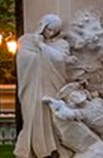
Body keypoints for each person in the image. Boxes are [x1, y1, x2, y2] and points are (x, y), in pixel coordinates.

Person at [16, 15, 70, 158]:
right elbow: (23, 59)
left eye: (54, 31)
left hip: (51, 87)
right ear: (42, 25)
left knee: (51, 117)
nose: (50, 33)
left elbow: (60, 59)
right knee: (33, 115)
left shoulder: (61, 44)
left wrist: (42, 46)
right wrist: (38, 52)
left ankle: (55, 148)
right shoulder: (27, 40)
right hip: (32, 86)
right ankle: (36, 149)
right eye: (49, 29)